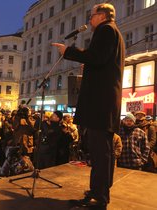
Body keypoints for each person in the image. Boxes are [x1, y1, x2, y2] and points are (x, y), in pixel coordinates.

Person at [52, 3, 125, 208]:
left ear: (101, 16)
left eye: (91, 16)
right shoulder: (112, 32)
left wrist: (68, 51)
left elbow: (97, 57)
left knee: (100, 153)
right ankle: (98, 191)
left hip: (100, 104)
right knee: (103, 152)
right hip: (104, 102)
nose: (89, 20)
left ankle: (99, 197)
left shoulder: (106, 30)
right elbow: (101, 60)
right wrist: (89, 63)